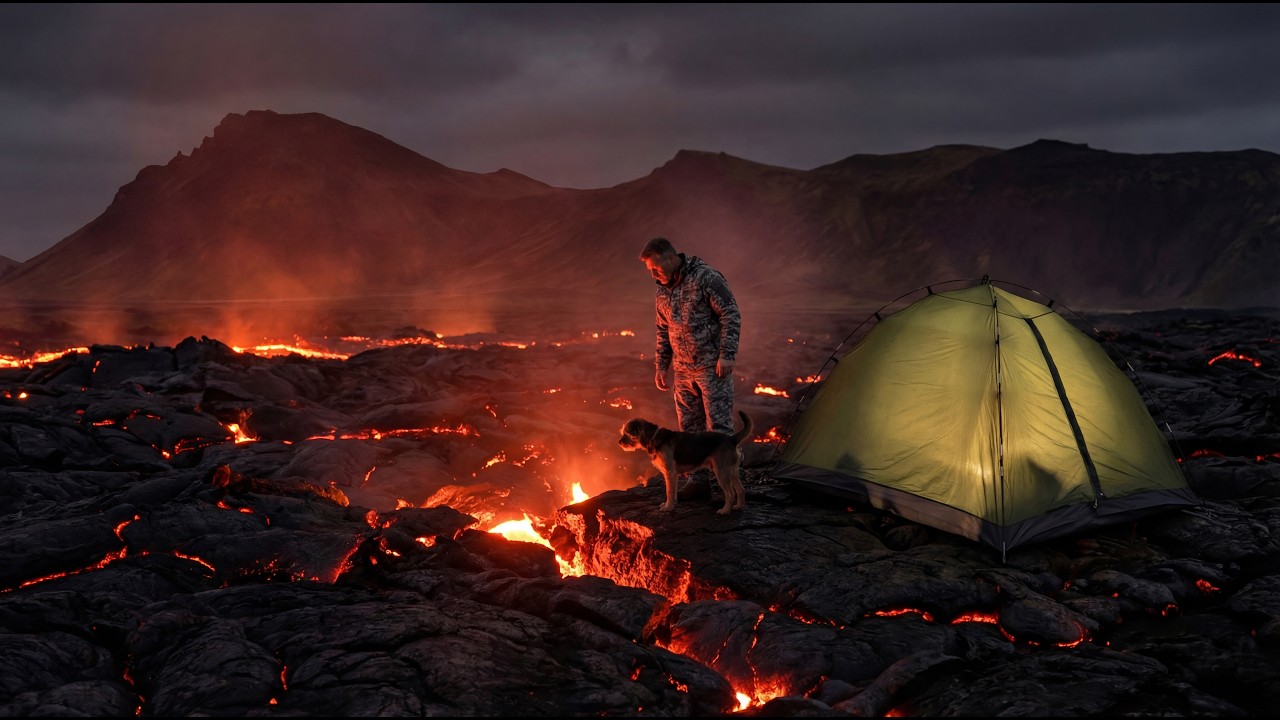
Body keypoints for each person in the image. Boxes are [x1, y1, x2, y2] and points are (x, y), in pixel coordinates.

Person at [638, 236, 742, 500]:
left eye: (656, 268)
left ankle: (723, 488)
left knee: (718, 428)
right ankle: (697, 482)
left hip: (711, 367)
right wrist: (662, 366)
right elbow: (663, 329)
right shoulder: (662, 289)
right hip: (683, 372)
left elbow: (730, 313)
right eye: (649, 270)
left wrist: (727, 355)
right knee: (689, 430)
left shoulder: (706, 278)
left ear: (671, 258)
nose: (652, 274)